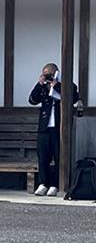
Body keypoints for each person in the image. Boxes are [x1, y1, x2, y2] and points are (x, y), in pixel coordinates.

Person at [28, 63, 79, 197]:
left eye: (49, 74)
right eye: (44, 74)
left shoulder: (67, 85)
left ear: (56, 73)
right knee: (43, 157)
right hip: (44, 127)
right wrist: (40, 84)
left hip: (59, 128)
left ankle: (55, 184)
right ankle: (43, 183)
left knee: (58, 157)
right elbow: (32, 100)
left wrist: (56, 85)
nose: (47, 77)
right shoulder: (44, 87)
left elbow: (73, 98)